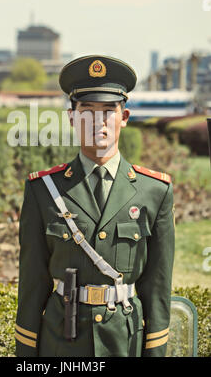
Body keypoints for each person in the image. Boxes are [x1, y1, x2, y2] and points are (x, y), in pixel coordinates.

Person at [15, 55, 175, 357]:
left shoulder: (154, 191)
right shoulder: (43, 191)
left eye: (107, 111)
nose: (97, 122)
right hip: (60, 344)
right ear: (72, 118)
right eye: (86, 111)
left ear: (124, 117)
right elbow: (32, 286)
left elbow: (157, 289)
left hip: (124, 342)